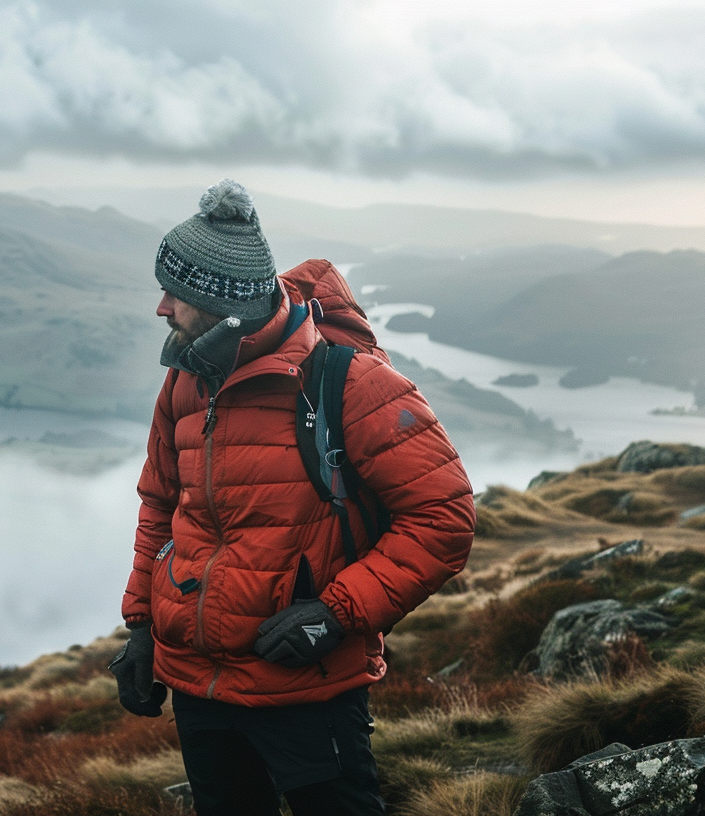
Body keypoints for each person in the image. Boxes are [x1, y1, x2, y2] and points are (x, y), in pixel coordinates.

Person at [109, 179, 475, 815]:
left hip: (306, 686)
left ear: (226, 304)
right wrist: (143, 627)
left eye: (178, 293)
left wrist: (335, 613)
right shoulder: (187, 379)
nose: (162, 307)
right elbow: (161, 507)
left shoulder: (350, 384)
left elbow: (443, 518)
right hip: (198, 683)